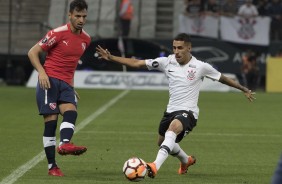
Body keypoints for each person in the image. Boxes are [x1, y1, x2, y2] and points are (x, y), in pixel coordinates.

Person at [96, 33, 256, 178]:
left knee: (172, 130)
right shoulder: (167, 62)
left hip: (189, 112)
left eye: (180, 48)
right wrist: (112, 58)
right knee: (162, 142)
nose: (177, 51)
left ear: (189, 48)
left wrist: (243, 89)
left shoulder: (200, 67)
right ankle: (186, 160)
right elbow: (137, 63)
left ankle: (154, 166)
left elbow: (222, 78)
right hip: (170, 110)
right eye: (174, 47)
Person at [27, 0, 91, 177]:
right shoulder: (57, 33)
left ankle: (64, 144)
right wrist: (41, 72)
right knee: (51, 123)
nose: (81, 20)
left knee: (71, 111)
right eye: (77, 16)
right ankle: (52, 167)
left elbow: (71, 65)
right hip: (49, 81)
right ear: (69, 15)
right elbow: (32, 52)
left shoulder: (86, 39)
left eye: (84, 16)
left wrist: (72, 85)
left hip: (66, 84)